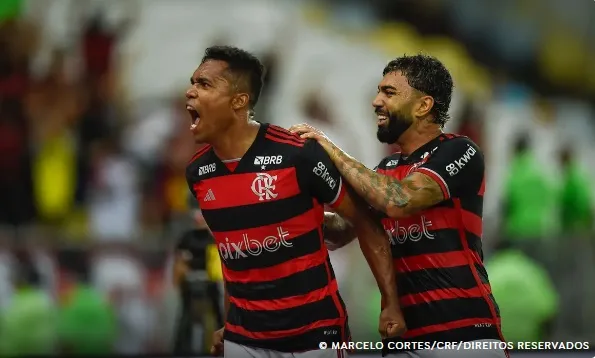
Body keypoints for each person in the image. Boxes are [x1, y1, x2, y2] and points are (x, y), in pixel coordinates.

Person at [185, 46, 406, 358]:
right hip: (245, 338)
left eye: (203, 84)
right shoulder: (198, 174)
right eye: (193, 83)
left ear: (239, 101)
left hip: (313, 337)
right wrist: (229, 323)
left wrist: (390, 302)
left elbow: (362, 218)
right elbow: (232, 255)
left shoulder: (298, 153)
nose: (190, 92)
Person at [290, 54, 508, 358]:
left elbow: (401, 200)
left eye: (389, 93)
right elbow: (344, 230)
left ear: (423, 106)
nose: (376, 102)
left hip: (463, 338)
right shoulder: (385, 169)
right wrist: (286, 213)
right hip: (403, 339)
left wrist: (331, 149)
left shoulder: (460, 151)